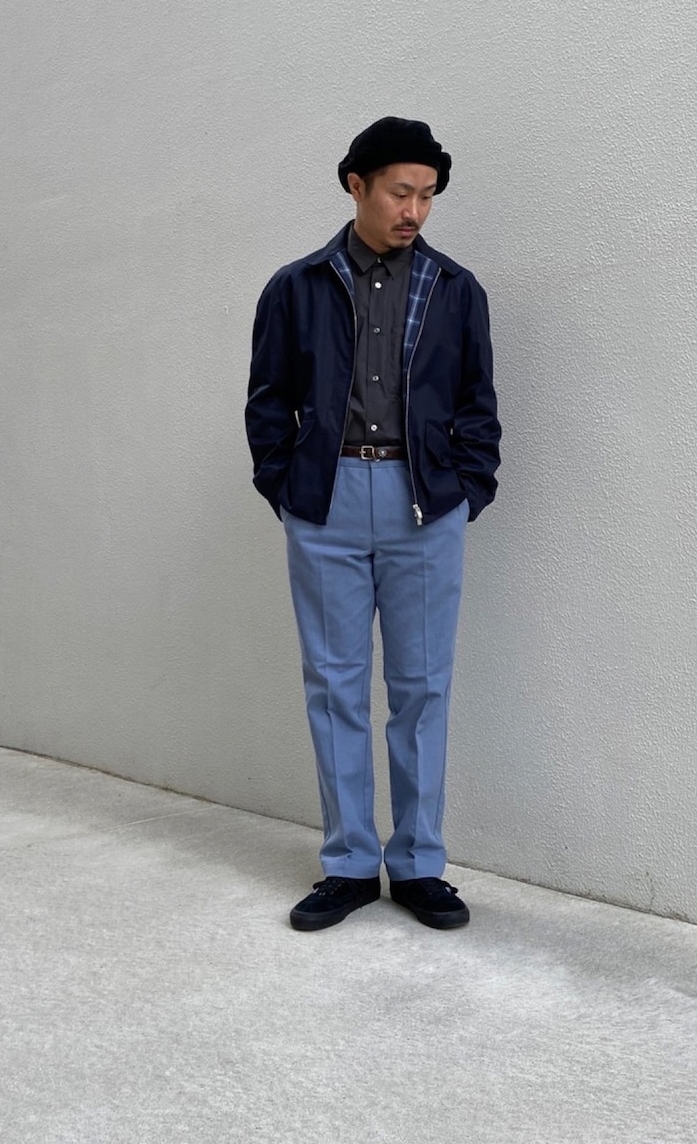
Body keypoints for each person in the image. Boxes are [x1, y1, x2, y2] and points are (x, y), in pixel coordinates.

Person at [246, 117, 500, 932]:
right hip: (326, 500)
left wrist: (467, 492)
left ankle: (419, 863)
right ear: (356, 185)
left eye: (427, 195)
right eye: (400, 192)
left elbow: (478, 407)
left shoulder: (455, 289)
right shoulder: (295, 287)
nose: (414, 210)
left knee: (422, 688)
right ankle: (350, 863)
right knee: (335, 685)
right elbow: (267, 403)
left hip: (424, 502)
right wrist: (289, 490)